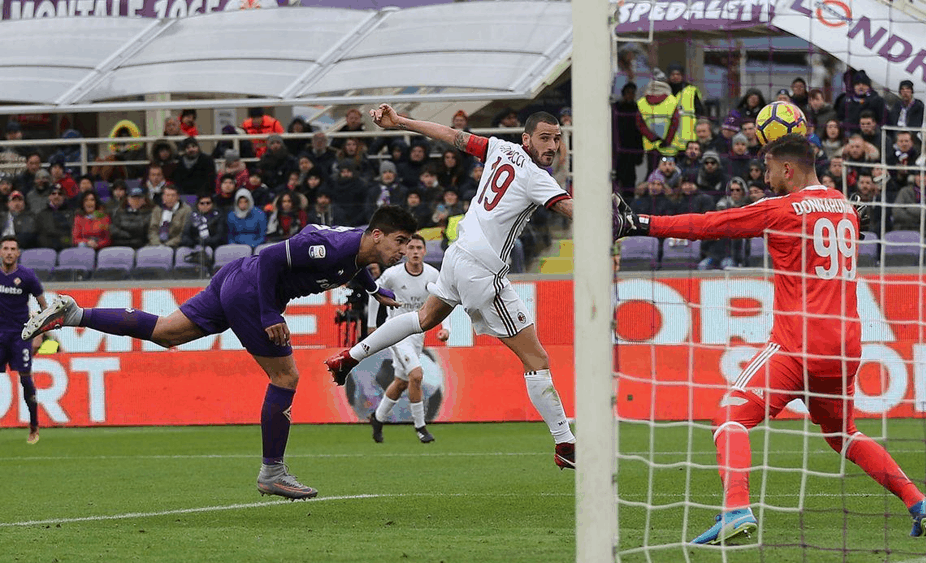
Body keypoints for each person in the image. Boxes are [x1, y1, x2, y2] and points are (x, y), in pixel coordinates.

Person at [613, 133, 926, 543]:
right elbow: (846, 226)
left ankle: (736, 508)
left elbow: (713, 225)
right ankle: (919, 502)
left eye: (768, 169)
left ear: (787, 168)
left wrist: (639, 223)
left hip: (797, 345)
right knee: (844, 435)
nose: (765, 178)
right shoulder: (845, 206)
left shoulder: (782, 209)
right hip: (846, 349)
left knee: (729, 417)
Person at [23, 206, 417, 500]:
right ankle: (272, 472)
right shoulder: (329, 247)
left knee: (165, 333)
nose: (403, 250)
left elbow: (356, 265)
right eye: (399, 241)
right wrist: (266, 312)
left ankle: (76, 313)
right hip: (252, 290)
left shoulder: (359, 252)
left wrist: (372, 289)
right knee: (285, 377)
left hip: (233, 279)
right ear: (377, 234)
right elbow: (271, 258)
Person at [326, 105, 577, 470]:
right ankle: (565, 446)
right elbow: (572, 209)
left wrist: (401, 122)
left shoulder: (498, 148)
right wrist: (621, 219)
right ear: (526, 139)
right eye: (544, 138)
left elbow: (450, 136)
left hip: (457, 255)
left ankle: (349, 356)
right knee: (536, 360)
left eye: (556, 139)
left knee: (423, 317)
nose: (551, 145)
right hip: (482, 270)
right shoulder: (537, 178)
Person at [365, 234, 450, 444]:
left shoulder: (432, 274)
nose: (414, 251)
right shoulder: (393, 274)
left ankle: (377, 418)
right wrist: (372, 325)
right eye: (410, 247)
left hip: (417, 334)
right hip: (398, 332)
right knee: (417, 375)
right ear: (405, 251)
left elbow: (446, 299)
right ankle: (420, 427)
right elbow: (373, 292)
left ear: (424, 251)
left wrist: (445, 327)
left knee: (402, 382)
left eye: (418, 247)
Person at [0, 236, 47, 444]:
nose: (9, 252)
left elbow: (45, 308)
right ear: (1, 252)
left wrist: (40, 335)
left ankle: (34, 425)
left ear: (18, 253)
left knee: (26, 379)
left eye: (13, 249)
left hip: (20, 336)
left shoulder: (27, 276)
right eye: (5, 248)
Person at [148, 184, 190, 248]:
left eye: (173, 195)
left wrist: (167, 245)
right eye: (167, 195)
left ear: (178, 197)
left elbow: (183, 233)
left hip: (176, 246)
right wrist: (157, 243)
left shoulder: (186, 210)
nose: (170, 198)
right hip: (156, 244)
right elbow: (152, 230)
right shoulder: (157, 209)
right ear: (163, 197)